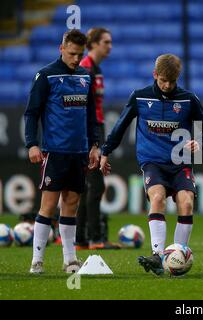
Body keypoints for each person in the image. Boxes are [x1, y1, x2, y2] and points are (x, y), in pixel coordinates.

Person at [100, 53, 203, 276]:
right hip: (152, 161)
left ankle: (177, 255)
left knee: (187, 202)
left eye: (172, 81)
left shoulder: (188, 99)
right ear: (155, 75)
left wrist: (199, 142)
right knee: (158, 197)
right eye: (163, 80)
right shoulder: (140, 98)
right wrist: (105, 152)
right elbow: (120, 127)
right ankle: (158, 255)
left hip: (181, 162)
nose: (168, 85)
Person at [24, 29, 100, 274]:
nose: (76, 59)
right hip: (55, 150)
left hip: (79, 151)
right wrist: (32, 143)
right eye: (72, 53)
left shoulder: (85, 76)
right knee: (48, 204)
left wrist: (94, 145)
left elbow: (90, 115)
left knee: (71, 203)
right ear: (61, 48)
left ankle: (70, 260)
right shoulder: (45, 75)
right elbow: (31, 112)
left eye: (80, 54)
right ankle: (37, 260)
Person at [75, 27, 120, 250]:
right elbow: (82, 106)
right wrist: (92, 139)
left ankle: (81, 239)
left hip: (95, 128)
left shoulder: (96, 68)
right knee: (96, 183)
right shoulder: (85, 68)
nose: (109, 46)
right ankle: (95, 238)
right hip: (88, 131)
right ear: (93, 44)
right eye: (106, 42)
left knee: (88, 185)